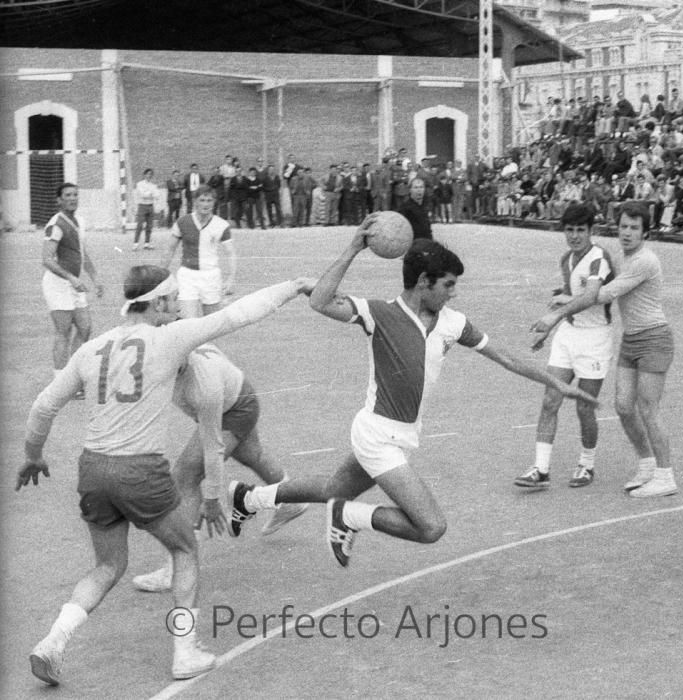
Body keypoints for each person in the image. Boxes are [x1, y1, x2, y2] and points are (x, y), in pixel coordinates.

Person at [225, 229, 598, 568]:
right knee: (431, 526)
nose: (454, 292)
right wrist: (354, 247)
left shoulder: (452, 322)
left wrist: (555, 382)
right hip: (376, 436)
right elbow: (320, 302)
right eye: (448, 285)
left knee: (329, 490)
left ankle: (248, 499)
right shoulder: (379, 314)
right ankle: (349, 517)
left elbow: (504, 357)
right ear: (424, 282)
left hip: (400, 436)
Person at [17, 265, 316, 685]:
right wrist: (294, 283)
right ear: (157, 302)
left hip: (92, 470)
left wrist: (33, 455)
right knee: (185, 551)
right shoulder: (170, 338)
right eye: (172, 299)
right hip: (140, 470)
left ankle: (53, 640)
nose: (176, 306)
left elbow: (43, 407)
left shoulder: (93, 348)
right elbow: (241, 313)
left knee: (107, 566)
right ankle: (185, 650)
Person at [132, 344, 308, 592]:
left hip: (232, 408)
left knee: (185, 476)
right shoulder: (171, 354)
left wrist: (213, 499)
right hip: (240, 394)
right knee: (252, 455)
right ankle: (292, 500)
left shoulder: (203, 385)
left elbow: (212, 446)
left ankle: (177, 570)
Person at [516, 203, 614, 489]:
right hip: (568, 336)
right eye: (569, 230)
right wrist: (549, 332)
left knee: (584, 408)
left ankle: (586, 464)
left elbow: (592, 296)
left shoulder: (599, 257)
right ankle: (541, 469)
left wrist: (554, 314)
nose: (574, 236)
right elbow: (572, 300)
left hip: (595, 338)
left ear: (590, 231)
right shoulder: (566, 260)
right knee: (550, 400)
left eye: (580, 231)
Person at [595, 201, 678, 497]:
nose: (627, 233)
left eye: (634, 228)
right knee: (623, 406)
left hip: (654, 339)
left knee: (648, 409)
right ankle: (646, 463)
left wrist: (569, 300)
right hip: (631, 340)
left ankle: (665, 476)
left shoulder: (645, 260)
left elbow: (605, 293)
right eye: (623, 227)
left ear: (645, 232)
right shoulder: (622, 258)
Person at [41, 182, 103, 395]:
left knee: (85, 328)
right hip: (58, 284)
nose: (72, 198)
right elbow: (47, 259)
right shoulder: (56, 224)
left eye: (75, 194)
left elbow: (82, 253)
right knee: (63, 331)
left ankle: (73, 378)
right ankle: (60, 384)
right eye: (68, 195)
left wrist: (95, 279)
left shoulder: (79, 221)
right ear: (59, 200)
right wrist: (70, 278)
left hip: (74, 284)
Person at [160, 184, 239, 318]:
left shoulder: (221, 225)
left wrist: (231, 278)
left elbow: (230, 253)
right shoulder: (182, 222)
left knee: (210, 323)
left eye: (209, 201)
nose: (205, 204)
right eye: (202, 200)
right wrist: (160, 276)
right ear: (195, 201)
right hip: (188, 276)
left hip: (211, 276)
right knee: (188, 322)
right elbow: (170, 250)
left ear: (214, 202)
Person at [133, 168, 160, 251]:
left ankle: (147, 243)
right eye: (147, 174)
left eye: (151, 174)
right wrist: (151, 193)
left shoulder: (153, 185)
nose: (149, 176)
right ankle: (135, 244)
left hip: (150, 206)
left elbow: (157, 196)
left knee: (149, 226)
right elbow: (143, 195)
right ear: (144, 175)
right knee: (140, 225)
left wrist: (150, 193)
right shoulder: (139, 184)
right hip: (142, 206)